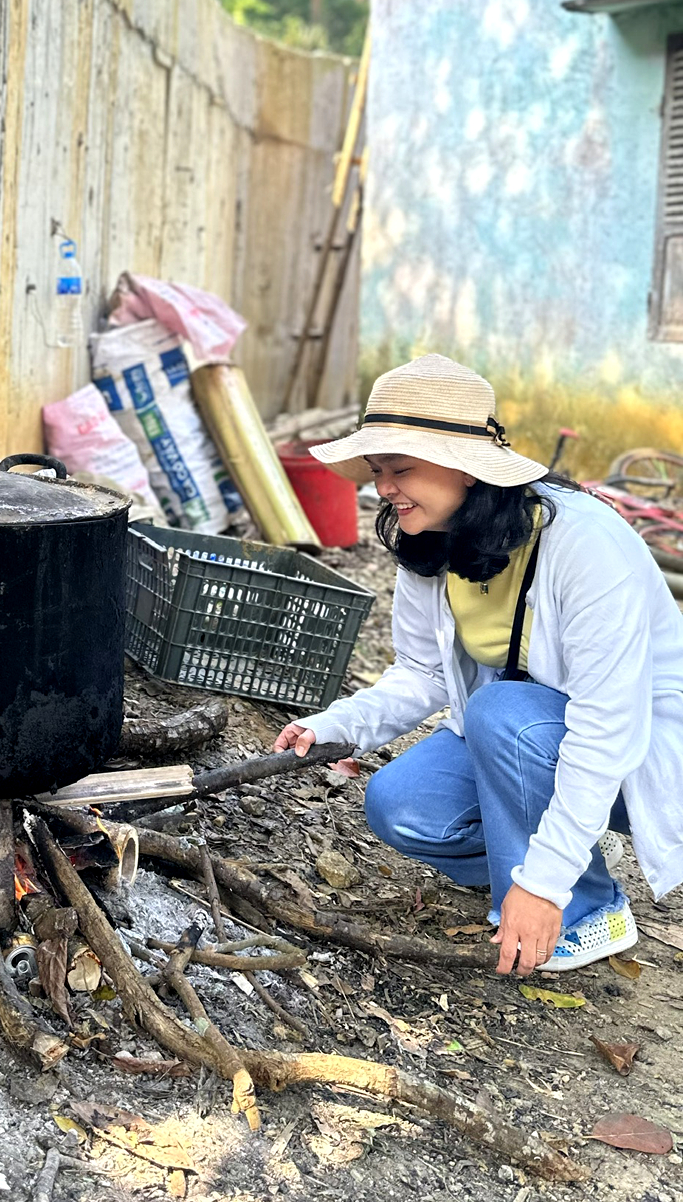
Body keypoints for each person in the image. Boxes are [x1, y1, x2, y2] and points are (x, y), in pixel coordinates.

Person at [275, 353, 683, 976]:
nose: (383, 488)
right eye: (379, 471)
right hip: (528, 741)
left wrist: (544, 884)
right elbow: (422, 671)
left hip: (635, 750)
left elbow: (607, 727)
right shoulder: (429, 537)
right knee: (401, 805)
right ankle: (526, 877)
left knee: (501, 709)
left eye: (402, 469)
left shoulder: (584, 545)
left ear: (468, 471)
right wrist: (340, 724)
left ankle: (585, 908)